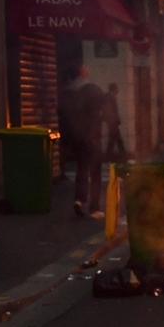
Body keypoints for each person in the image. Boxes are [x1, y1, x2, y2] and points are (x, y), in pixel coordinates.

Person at [58, 67, 107, 219]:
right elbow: (104, 112)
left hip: (77, 138)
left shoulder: (68, 93)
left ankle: (79, 200)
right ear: (85, 74)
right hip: (92, 137)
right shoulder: (94, 90)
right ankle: (94, 208)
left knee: (82, 169)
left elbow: (63, 115)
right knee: (95, 172)